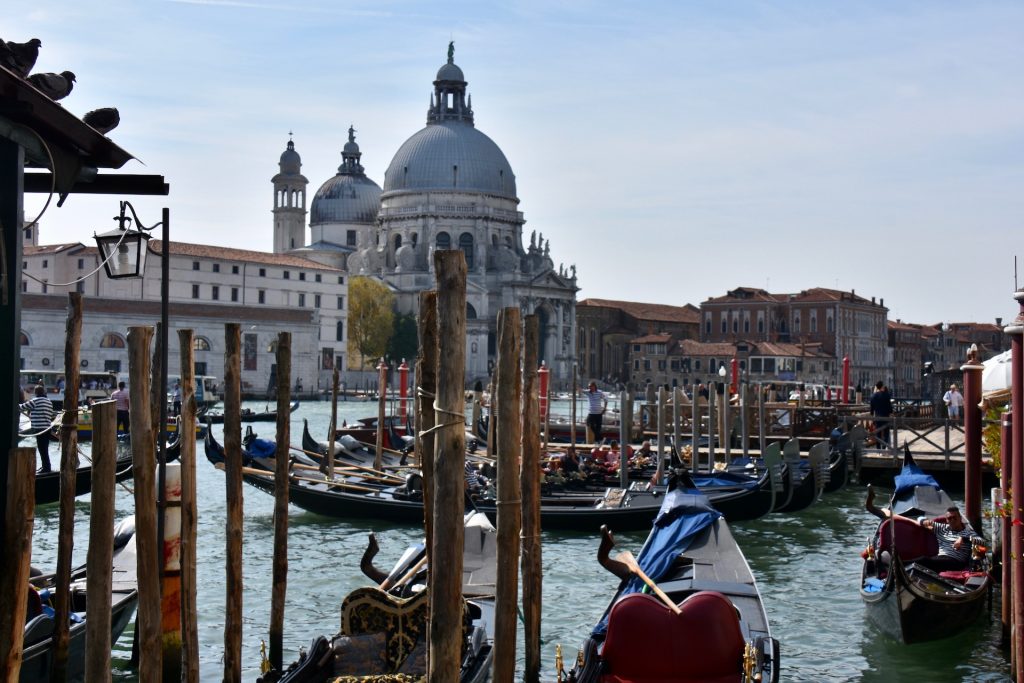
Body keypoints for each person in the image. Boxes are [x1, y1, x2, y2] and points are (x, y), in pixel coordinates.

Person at [865, 486, 981, 572]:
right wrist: (924, 521)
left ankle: (895, 566)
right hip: (939, 559)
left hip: (956, 563)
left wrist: (963, 539)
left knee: (924, 560)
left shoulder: (968, 532)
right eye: (949, 518)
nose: (951, 520)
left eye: (954, 518)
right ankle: (897, 567)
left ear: (960, 518)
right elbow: (920, 518)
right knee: (927, 562)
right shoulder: (942, 528)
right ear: (946, 520)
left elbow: (981, 541)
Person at [20, 385, 55, 473]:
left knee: (42, 449)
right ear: (43, 392)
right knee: (44, 448)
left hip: (40, 429)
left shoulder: (35, 401)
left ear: (36, 393)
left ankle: (46, 468)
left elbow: (22, 407)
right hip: (47, 429)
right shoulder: (49, 401)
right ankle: (45, 466)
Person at [869, 381, 893, 448]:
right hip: (885, 417)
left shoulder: (873, 396)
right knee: (886, 434)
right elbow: (890, 408)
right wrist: (890, 413)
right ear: (882, 386)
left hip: (877, 418)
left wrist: (872, 417)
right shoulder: (887, 395)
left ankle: (878, 450)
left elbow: (871, 410)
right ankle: (884, 447)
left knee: (878, 434)